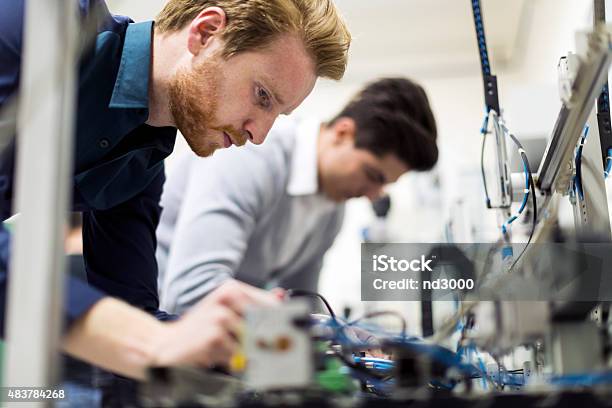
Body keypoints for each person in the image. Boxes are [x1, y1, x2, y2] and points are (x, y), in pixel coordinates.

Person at [0, 0, 350, 379]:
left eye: (276, 115)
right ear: (206, 33)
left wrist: (255, 339)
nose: (259, 134)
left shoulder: (141, 168)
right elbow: (142, 337)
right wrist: (146, 339)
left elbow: (135, 314)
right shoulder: (39, 19)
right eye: (262, 95)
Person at [157, 77, 438, 314]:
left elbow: (304, 302)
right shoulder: (252, 156)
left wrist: (344, 338)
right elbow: (190, 293)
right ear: (343, 132)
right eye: (373, 175)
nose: (374, 195)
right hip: (151, 334)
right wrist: (309, 329)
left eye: (384, 185)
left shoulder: (331, 209)